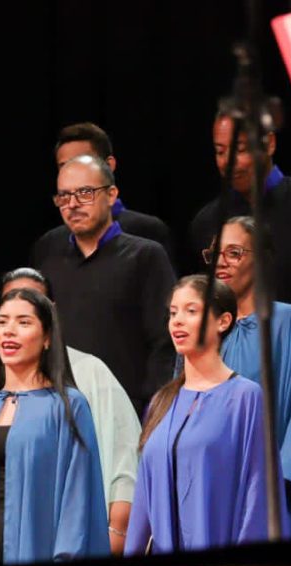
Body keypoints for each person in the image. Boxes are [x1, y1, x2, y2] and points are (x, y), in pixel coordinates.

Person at [0, 268, 140, 565]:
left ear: (48, 336)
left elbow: (76, 498)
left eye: (23, 322)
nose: (9, 331)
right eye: (2, 322)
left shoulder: (68, 406)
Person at [126, 275, 286, 555]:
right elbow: (143, 499)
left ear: (223, 321)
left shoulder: (245, 398)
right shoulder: (161, 402)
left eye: (191, 311)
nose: (177, 321)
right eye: (173, 312)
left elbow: (259, 494)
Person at [31, 153, 176, 414]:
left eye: (85, 192)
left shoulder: (145, 256)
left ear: (111, 195)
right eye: (64, 196)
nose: (72, 204)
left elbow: (164, 342)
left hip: (125, 409)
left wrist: (156, 409)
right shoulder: (49, 259)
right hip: (59, 408)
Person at [211, 216, 291, 538]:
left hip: (269, 495)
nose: (220, 262)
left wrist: (278, 484)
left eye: (233, 252)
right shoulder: (204, 329)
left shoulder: (286, 322)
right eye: (214, 253)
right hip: (213, 491)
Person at [189, 97, 291, 367]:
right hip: (234, 369)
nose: (229, 163)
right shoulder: (207, 223)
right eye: (220, 151)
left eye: (240, 149)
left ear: (270, 144)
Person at [39, 122, 175, 263]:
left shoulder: (147, 233)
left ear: (109, 165)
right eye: (65, 165)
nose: (74, 171)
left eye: (84, 162)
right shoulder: (48, 245)